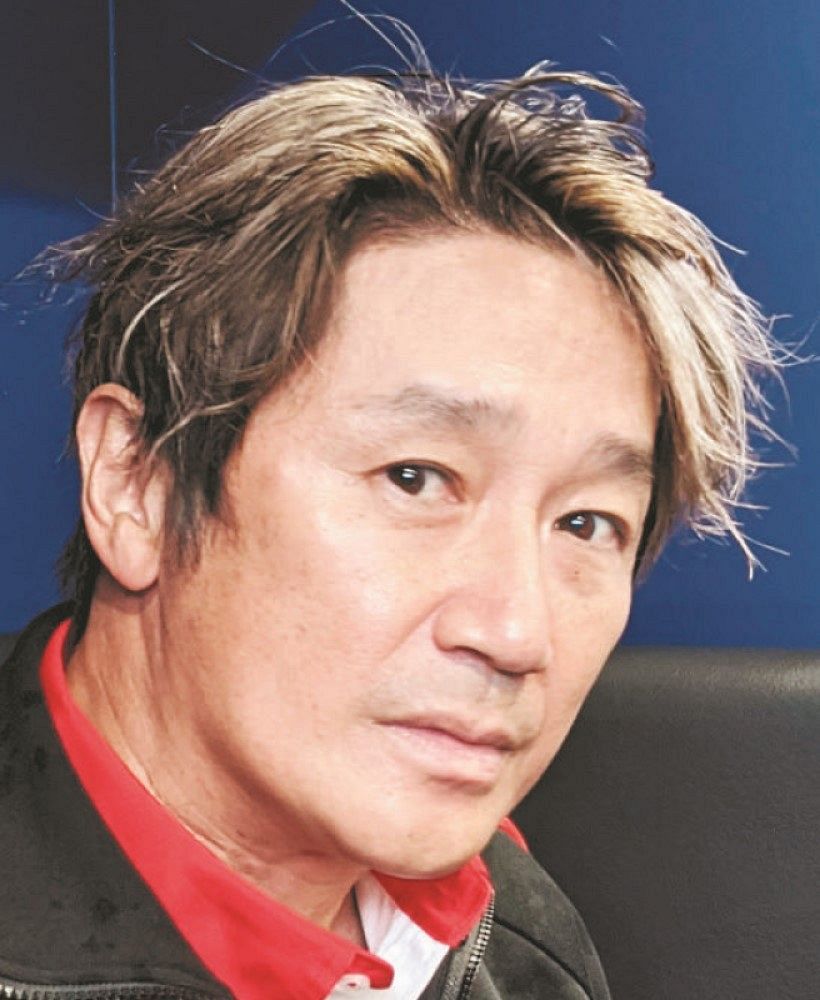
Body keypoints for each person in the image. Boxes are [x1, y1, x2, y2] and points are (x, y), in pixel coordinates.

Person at [0, 67, 780, 1000]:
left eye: (585, 523)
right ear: (137, 482)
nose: (516, 633)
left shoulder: (516, 933)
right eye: (415, 478)